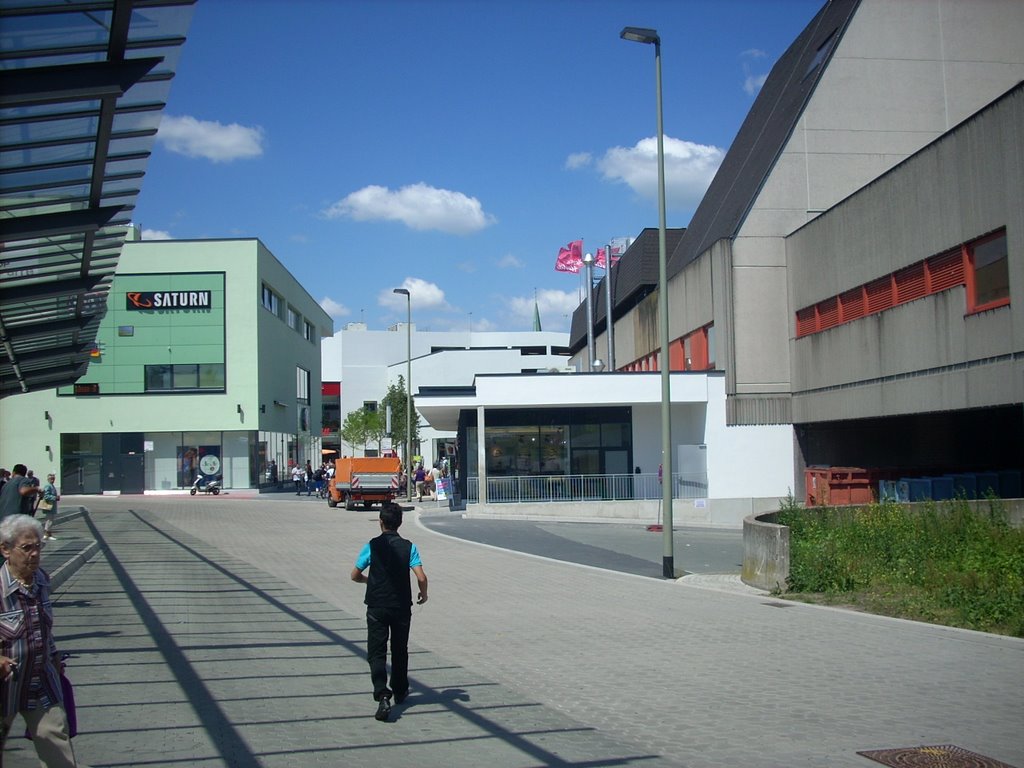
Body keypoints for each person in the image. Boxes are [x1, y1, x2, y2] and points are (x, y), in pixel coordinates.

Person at [0, 514, 79, 766]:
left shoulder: (42, 581)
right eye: (26, 548)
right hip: (5, 684)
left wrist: (54, 656)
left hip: (40, 680)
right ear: (5, 549)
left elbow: (45, 627)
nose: (34, 554)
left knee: (54, 738)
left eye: (38, 547)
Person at [350, 503, 428, 722]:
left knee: (376, 652)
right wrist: (424, 594)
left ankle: (382, 693)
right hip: (402, 606)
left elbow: (354, 574)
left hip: (376, 605)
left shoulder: (372, 546)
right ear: (400, 523)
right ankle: (400, 690)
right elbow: (421, 577)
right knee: (399, 649)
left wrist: (369, 581)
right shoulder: (409, 547)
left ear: (380, 522)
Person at [39, 475, 60, 541]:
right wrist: (54, 497)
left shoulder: (51, 486)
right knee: (49, 520)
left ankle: (48, 534)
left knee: (50, 520)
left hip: (51, 506)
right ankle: (47, 534)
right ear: (48, 479)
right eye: (51, 479)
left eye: (53, 479)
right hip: (49, 505)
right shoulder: (48, 486)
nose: (53, 480)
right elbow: (46, 495)